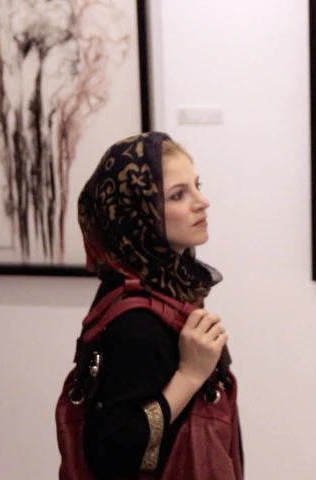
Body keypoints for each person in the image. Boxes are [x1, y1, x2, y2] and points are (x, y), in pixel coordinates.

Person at [73, 131, 243, 479]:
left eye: (197, 185)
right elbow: (112, 451)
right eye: (178, 195)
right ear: (138, 214)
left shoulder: (162, 285)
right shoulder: (136, 320)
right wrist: (191, 374)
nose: (202, 201)